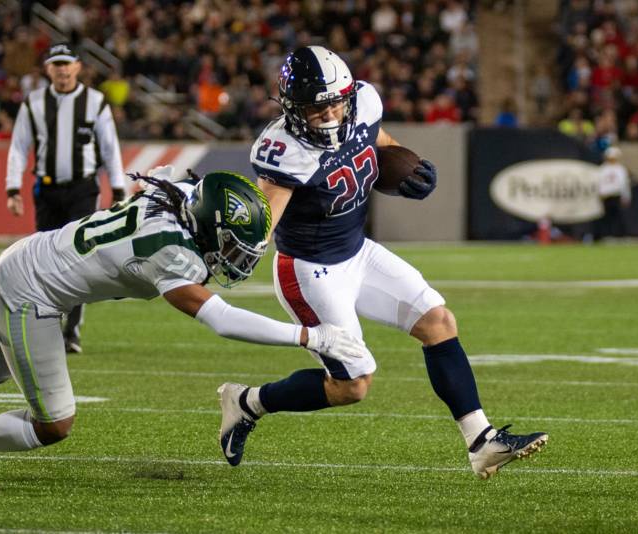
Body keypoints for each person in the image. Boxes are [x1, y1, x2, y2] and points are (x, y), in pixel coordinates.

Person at [0, 170, 369, 491]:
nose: (237, 261)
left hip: (20, 263)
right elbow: (219, 318)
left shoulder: (185, 194)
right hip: (29, 293)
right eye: (233, 247)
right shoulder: (171, 253)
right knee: (54, 422)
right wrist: (310, 337)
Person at [217, 46, 548, 479]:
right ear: (293, 107)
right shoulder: (283, 150)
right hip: (310, 269)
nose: (332, 114)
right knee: (353, 385)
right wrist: (240, 246)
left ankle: (481, 442)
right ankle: (247, 403)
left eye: (337, 101)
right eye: (318, 106)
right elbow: (268, 216)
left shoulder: (365, 105)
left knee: (438, 320)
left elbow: (380, 143)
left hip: (358, 249)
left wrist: (403, 170)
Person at [5, 42, 126, 354]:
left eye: (66, 63)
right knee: (43, 260)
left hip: (83, 189)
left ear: (77, 67)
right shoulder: (33, 103)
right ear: (48, 69)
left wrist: (119, 188)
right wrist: (12, 188)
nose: (61, 69)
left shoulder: (95, 102)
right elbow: (19, 146)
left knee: (77, 259)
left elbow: (110, 147)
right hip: (46, 189)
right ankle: (45, 327)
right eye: (55, 64)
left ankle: (71, 330)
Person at [595, 146, 631, 240]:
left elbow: (624, 183)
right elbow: (599, 183)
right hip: (606, 196)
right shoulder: (602, 169)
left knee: (618, 216)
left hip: (616, 195)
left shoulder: (620, 169)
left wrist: (626, 196)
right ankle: (606, 235)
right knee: (606, 216)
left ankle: (619, 235)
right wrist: (600, 193)